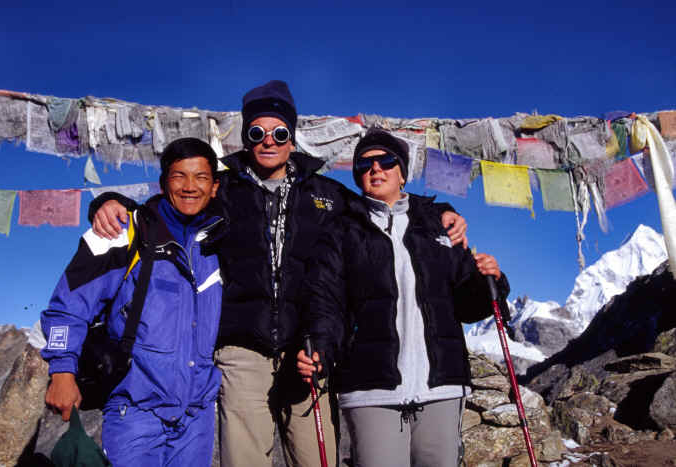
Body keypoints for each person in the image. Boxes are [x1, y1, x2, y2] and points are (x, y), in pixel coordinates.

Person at [87, 80, 468, 467]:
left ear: (292, 137)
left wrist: (438, 212)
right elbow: (173, 204)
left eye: (279, 132)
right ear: (246, 137)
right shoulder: (223, 189)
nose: (268, 141)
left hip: (308, 349)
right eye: (257, 132)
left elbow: (383, 205)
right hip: (241, 351)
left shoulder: (326, 194)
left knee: (316, 459)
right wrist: (111, 202)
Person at [297, 129, 511, 467]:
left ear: (402, 172)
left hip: (440, 385)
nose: (375, 169)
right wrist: (320, 350)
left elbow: (469, 306)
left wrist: (492, 280)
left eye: (386, 161)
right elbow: (326, 302)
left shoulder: (437, 226)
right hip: (370, 387)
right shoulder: (341, 231)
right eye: (365, 164)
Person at [41, 137, 226, 467]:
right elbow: (68, 305)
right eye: (178, 176)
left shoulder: (222, 244)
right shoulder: (123, 230)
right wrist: (62, 370)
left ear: (214, 187)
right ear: (162, 182)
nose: (189, 187)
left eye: (201, 177)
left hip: (197, 419)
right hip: (135, 412)